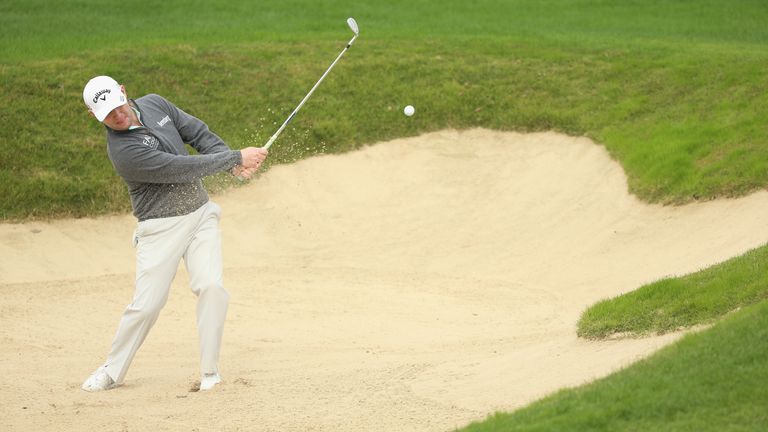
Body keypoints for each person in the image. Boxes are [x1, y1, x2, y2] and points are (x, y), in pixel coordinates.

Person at [80, 75, 267, 392]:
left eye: (118, 105)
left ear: (123, 91)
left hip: (200, 215)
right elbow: (179, 168)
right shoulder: (123, 152)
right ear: (95, 116)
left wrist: (232, 165)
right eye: (108, 114)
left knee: (211, 287)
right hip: (160, 229)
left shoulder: (155, 103)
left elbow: (196, 132)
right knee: (148, 305)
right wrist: (235, 158)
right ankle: (113, 370)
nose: (117, 115)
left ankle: (210, 373)